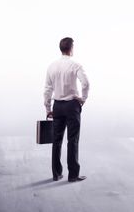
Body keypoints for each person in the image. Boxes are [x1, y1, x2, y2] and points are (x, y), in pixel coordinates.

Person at [43, 37, 90, 182]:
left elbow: (47, 89)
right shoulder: (75, 65)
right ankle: (73, 175)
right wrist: (82, 99)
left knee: (56, 140)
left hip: (57, 106)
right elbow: (86, 83)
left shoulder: (52, 66)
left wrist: (48, 108)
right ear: (71, 48)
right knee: (73, 140)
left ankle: (56, 174)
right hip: (71, 106)